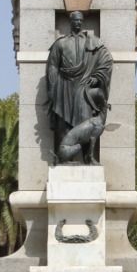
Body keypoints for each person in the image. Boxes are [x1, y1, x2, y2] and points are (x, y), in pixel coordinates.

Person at [44, 10, 113, 165]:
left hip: (83, 87)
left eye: (80, 21)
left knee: (86, 121)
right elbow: (53, 66)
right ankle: (66, 159)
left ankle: (88, 157)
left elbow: (107, 61)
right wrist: (53, 89)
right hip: (64, 86)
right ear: (70, 22)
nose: (77, 23)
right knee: (64, 122)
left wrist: (96, 78)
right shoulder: (60, 43)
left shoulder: (91, 42)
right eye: (75, 21)